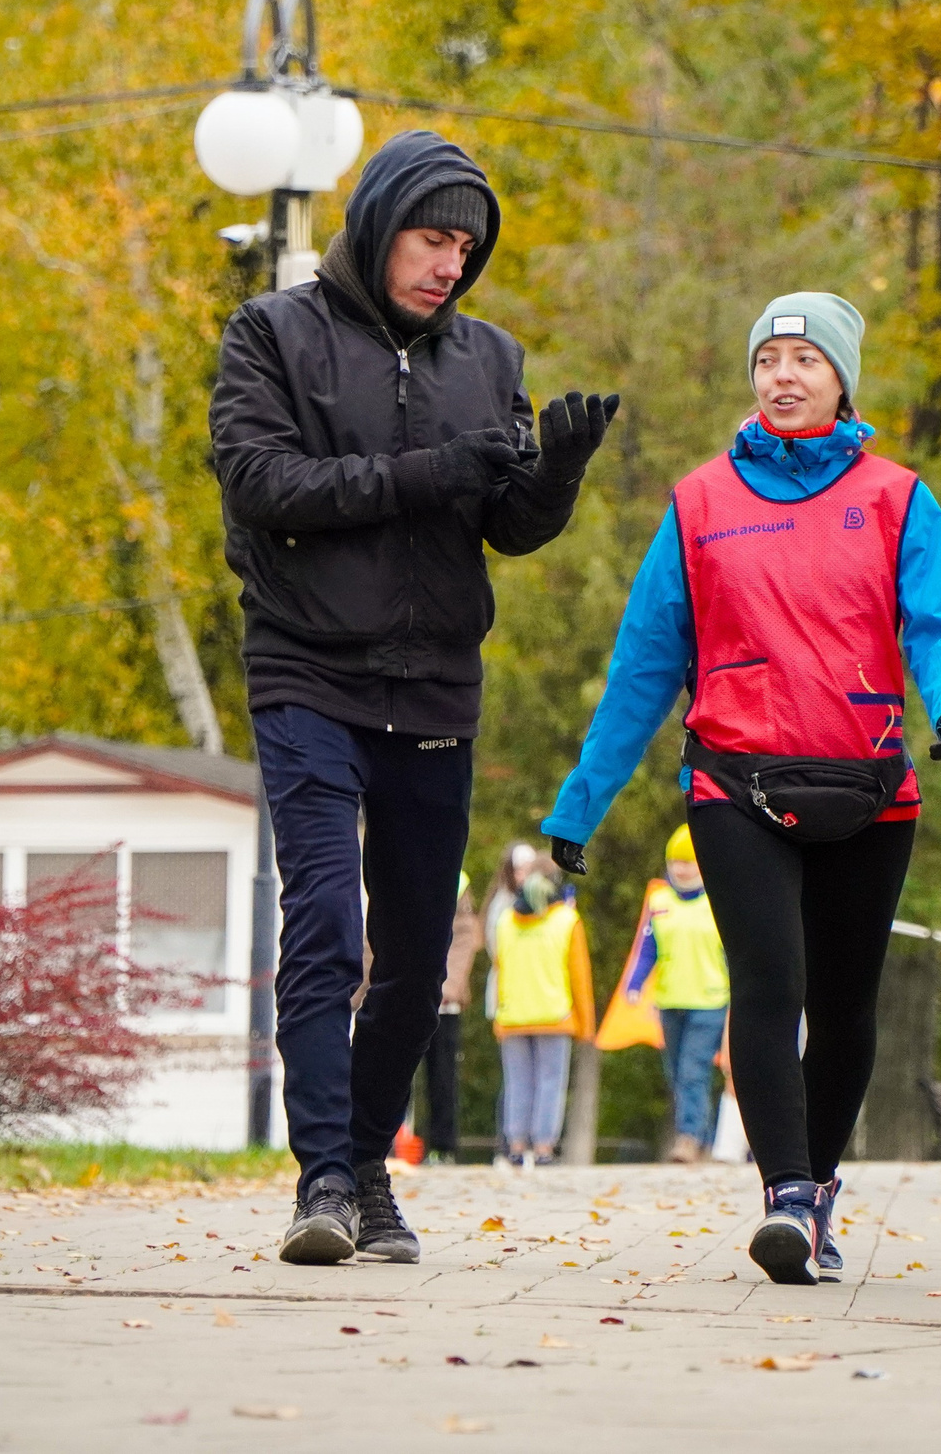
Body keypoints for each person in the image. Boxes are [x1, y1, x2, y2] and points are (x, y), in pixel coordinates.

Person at [211, 129, 620, 1265]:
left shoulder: (487, 357)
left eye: (467, 248)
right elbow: (260, 483)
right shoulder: (272, 334)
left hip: (436, 684)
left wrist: (558, 472)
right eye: (434, 239)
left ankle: (373, 1172)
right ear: (380, 222)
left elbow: (505, 525)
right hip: (306, 669)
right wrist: (426, 473)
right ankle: (324, 1178)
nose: (451, 264)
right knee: (327, 926)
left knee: (411, 957)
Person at [540, 292, 941, 1285]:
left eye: (804, 359)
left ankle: (820, 1185)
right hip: (735, 781)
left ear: (841, 379)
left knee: (843, 1004)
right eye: (768, 359)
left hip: (868, 785)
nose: (783, 375)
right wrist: (581, 802)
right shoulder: (699, 503)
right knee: (769, 984)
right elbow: (643, 668)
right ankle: (784, 1196)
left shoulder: (895, 498)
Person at [621, 823, 732, 1162]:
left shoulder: (718, 901)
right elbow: (647, 947)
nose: (681, 869)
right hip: (670, 1001)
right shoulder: (659, 901)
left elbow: (731, 953)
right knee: (676, 1074)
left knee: (692, 1071)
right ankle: (700, 1139)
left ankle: (688, 1138)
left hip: (709, 1001)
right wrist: (635, 983)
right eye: (676, 862)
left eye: (688, 862)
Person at [491, 868, 596, 1166]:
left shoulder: (504, 923)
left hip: (512, 1017)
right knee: (550, 1082)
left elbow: (500, 970)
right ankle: (544, 1148)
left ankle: (515, 1144)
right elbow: (580, 976)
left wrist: (499, 1016)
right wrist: (586, 1026)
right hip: (555, 1015)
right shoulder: (566, 922)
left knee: (517, 1081)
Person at [421, 872, 483, 1161]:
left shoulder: (458, 882)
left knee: (442, 1076)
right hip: (403, 995)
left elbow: (464, 940)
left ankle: (442, 1146)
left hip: (443, 1003)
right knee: (393, 1076)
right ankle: (390, 1145)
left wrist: (448, 986)